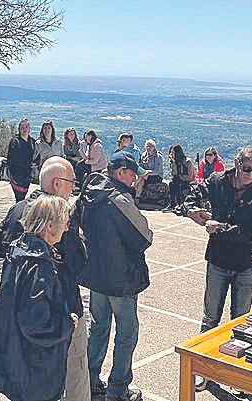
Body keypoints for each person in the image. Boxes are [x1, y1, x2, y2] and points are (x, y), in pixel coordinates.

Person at [0, 157, 89, 401]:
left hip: (19, 313)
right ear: (56, 183)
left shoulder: (19, 207)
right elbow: (79, 264)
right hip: (59, 311)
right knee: (76, 370)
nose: (73, 188)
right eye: (71, 183)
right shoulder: (57, 215)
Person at [182, 145, 252, 392]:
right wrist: (192, 210)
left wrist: (219, 227)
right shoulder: (218, 181)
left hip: (245, 263)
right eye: (247, 169)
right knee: (209, 319)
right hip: (219, 260)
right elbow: (193, 192)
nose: (251, 174)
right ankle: (202, 370)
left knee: (241, 323)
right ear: (236, 164)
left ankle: (236, 375)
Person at [0, 196, 78, 401]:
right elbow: (36, 321)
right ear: (50, 226)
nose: (67, 229)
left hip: (17, 354)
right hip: (34, 363)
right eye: (65, 222)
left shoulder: (20, 251)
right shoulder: (39, 265)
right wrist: (67, 324)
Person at [79, 152, 152, 401]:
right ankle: (118, 389)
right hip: (121, 279)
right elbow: (145, 236)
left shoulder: (89, 192)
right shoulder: (119, 200)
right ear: (120, 172)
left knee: (98, 328)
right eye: (132, 173)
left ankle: (89, 380)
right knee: (126, 333)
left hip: (97, 276)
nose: (135, 178)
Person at [6, 119, 35, 201]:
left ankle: (20, 212)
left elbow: (36, 156)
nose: (24, 129)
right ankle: (17, 213)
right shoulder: (15, 141)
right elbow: (11, 159)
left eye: (26, 127)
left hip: (27, 175)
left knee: (23, 197)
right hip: (16, 175)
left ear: (29, 129)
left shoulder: (32, 141)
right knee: (19, 198)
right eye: (22, 127)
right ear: (19, 129)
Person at [167, 144, 194, 210]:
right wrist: (173, 163)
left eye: (173, 152)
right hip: (178, 179)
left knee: (177, 183)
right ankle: (172, 204)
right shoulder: (174, 162)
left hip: (186, 180)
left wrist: (181, 177)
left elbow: (190, 176)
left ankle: (179, 204)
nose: (171, 154)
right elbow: (174, 173)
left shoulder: (187, 161)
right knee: (172, 183)